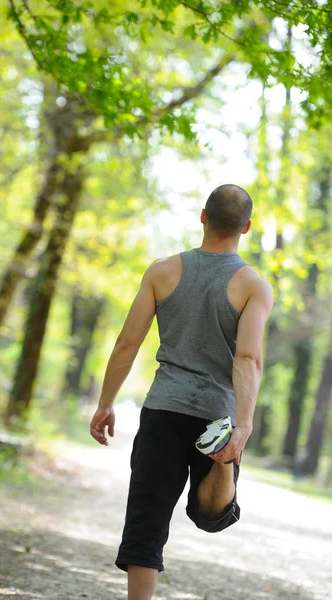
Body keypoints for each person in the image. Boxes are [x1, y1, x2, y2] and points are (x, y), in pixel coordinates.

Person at [90, 184, 274, 600]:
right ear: (246, 227)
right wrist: (241, 427)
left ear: (203, 217)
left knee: (147, 521)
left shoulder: (162, 271)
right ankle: (222, 460)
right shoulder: (253, 286)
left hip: (163, 411)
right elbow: (248, 358)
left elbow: (127, 342)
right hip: (217, 416)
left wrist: (106, 403)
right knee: (211, 515)